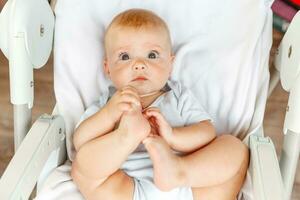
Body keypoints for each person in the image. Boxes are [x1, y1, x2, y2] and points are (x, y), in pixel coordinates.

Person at [71, 8, 249, 200]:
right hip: (128, 187)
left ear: (170, 64)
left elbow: (207, 132)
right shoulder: (109, 103)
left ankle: (177, 170)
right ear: (108, 68)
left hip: (187, 182)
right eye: (124, 57)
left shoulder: (177, 95)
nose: (139, 64)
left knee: (234, 148)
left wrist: (172, 136)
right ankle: (126, 137)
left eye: (152, 55)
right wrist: (109, 115)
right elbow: (81, 141)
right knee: (82, 166)